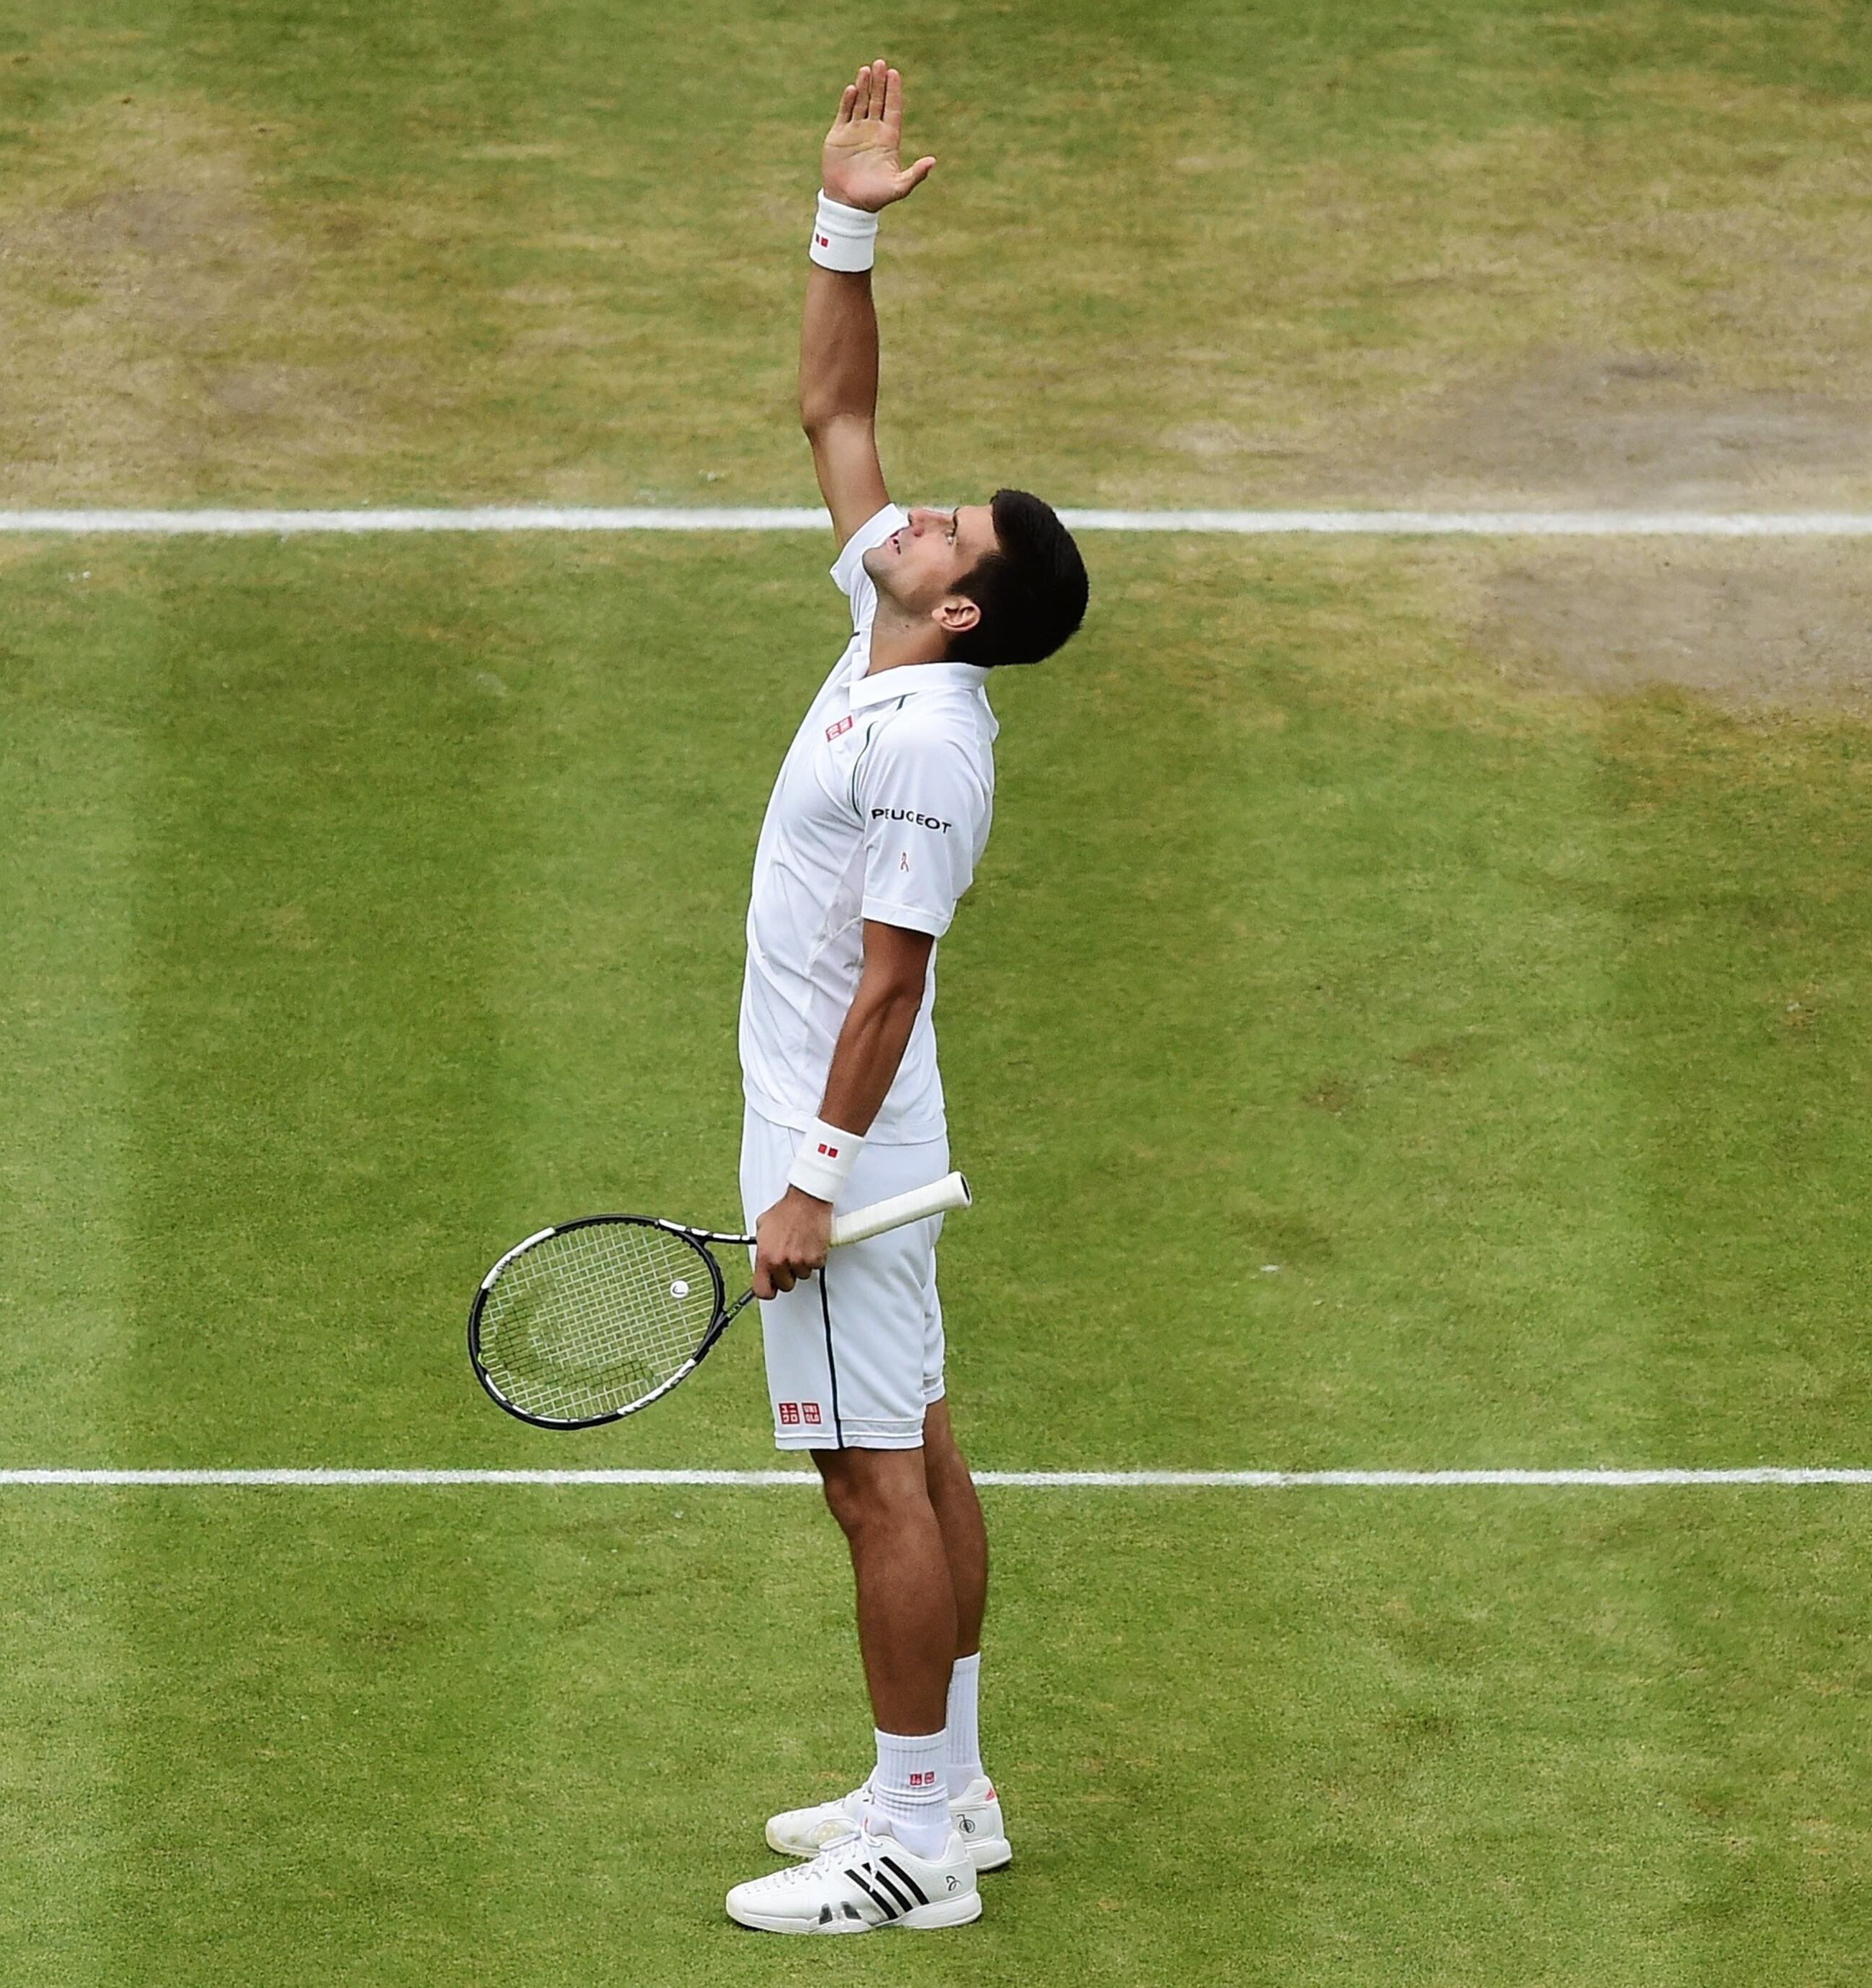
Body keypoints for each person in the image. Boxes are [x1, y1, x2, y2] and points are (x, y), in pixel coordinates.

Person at [720, 60, 1090, 1937]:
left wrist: (809, 1177)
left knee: (873, 1485)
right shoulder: (887, 611)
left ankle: (916, 1862)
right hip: (837, 1121)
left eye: (954, 537)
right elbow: (834, 407)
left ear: (962, 616)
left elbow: (890, 979)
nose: (922, 511)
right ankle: (943, 1787)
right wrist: (846, 218)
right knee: (922, 1446)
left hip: (844, 1131)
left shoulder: (933, 743)